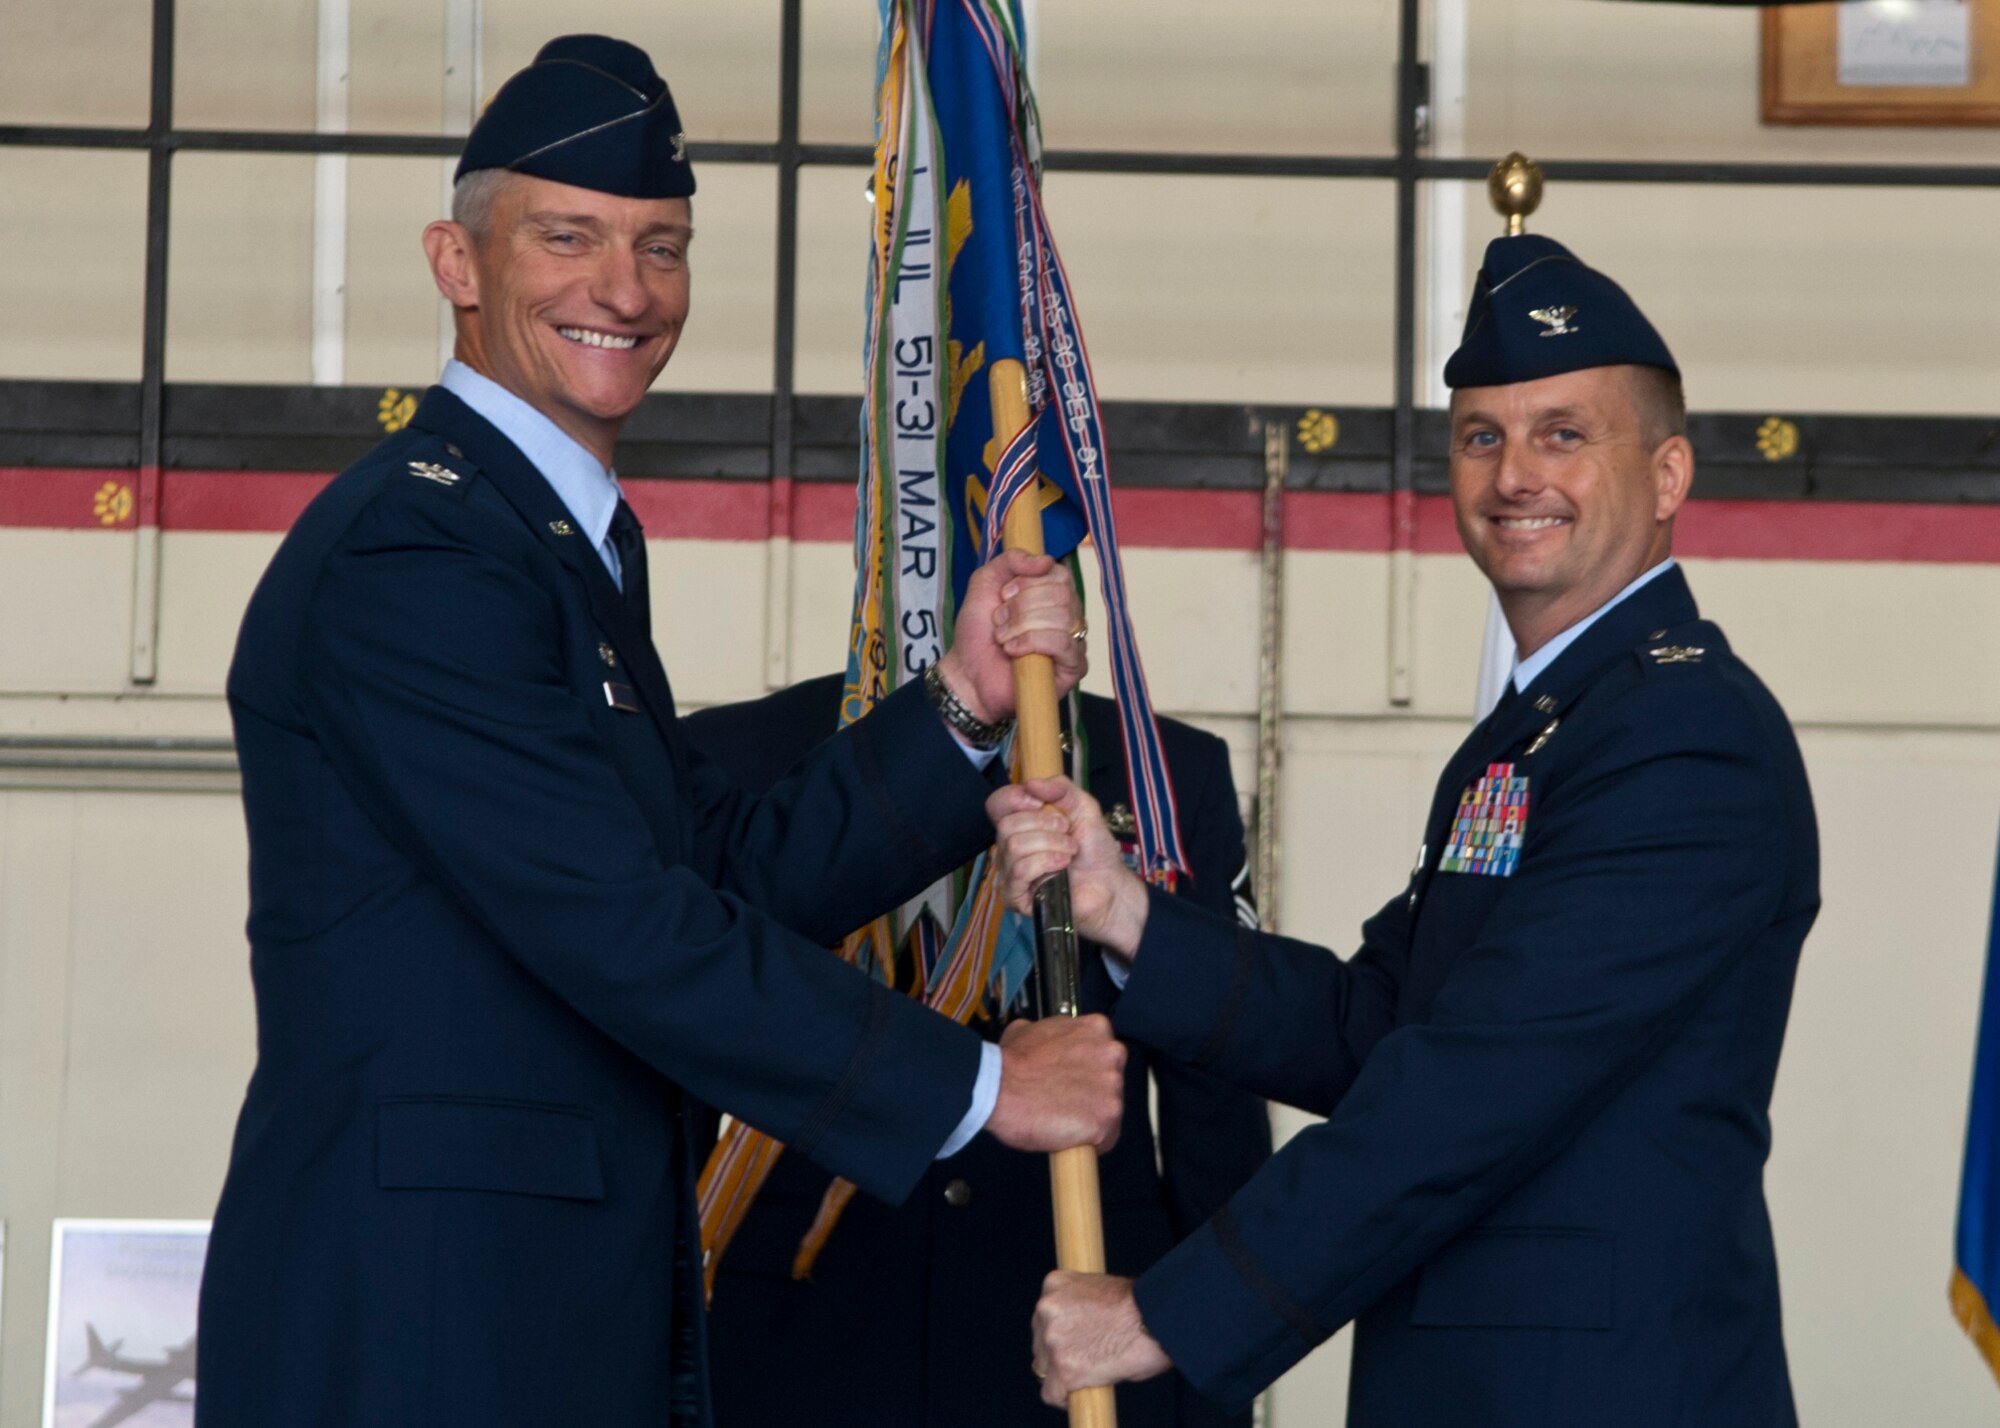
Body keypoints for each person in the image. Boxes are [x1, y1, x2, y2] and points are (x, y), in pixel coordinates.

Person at [196, 36, 1125, 1428]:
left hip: (534, 1308)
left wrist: (961, 702)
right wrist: (980, 1087)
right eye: (567, 237)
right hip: (426, 1321)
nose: (624, 291)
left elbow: (716, 869)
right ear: (456, 262)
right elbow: (619, 923)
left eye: (661, 246)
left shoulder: (545, 540)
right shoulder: (418, 551)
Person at [991, 233, 1820, 1426]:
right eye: (1480, 437)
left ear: (1667, 474)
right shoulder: (1546, 729)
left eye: (1562, 434)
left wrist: (1166, 1312)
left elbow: (1472, 1085)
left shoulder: (1685, 737)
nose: (1513, 474)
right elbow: (1377, 1023)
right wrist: (1125, 914)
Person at [682, 676, 1272, 1428]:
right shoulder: (739, 748)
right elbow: (680, 1065)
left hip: (1069, 1314)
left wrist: (1207, 1367)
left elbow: (1217, 1106)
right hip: (799, 1326)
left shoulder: (1167, 768)